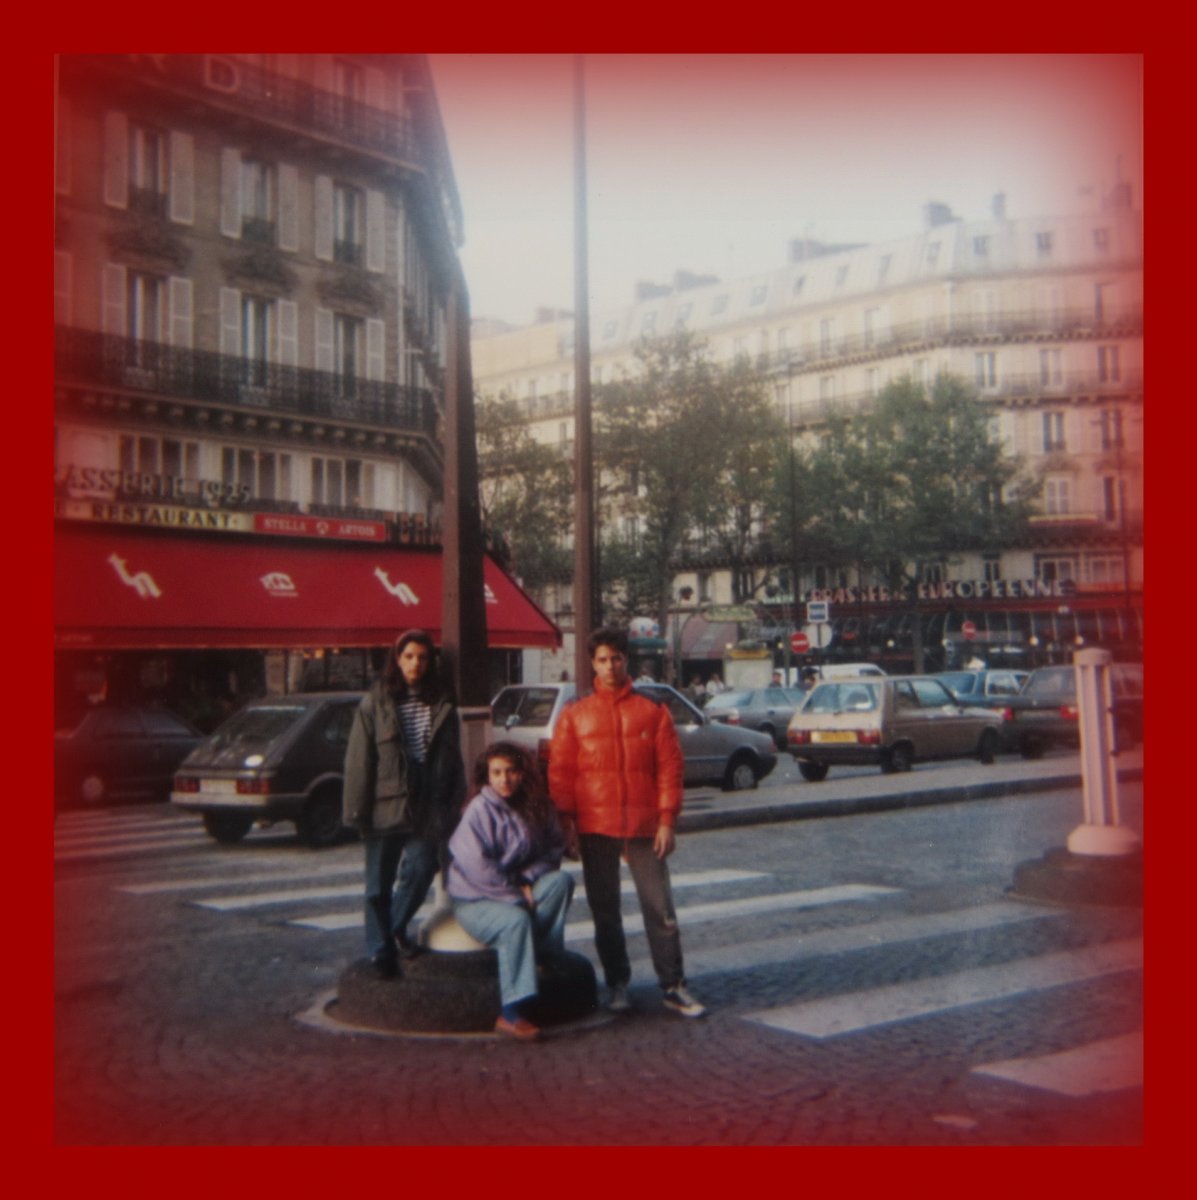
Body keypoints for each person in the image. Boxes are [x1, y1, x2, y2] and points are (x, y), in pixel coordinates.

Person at [549, 626, 706, 1018]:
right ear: (592, 663)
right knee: (605, 911)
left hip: (644, 826)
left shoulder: (652, 712)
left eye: (616, 658)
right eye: (602, 660)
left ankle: (673, 984)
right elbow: (561, 773)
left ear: (626, 660)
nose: (610, 666)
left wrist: (667, 820)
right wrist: (567, 823)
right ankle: (617, 983)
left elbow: (669, 769)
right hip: (595, 826)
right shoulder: (575, 716)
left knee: (660, 909)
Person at [343, 629, 465, 979]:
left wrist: (452, 801)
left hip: (427, 803)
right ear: (397, 659)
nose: (416, 664)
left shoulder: (442, 704)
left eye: (423, 658)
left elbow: (452, 759)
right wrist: (357, 811)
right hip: (385, 803)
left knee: (423, 867)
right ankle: (380, 952)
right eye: (409, 656)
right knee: (377, 885)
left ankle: (393, 928)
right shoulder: (375, 703)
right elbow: (359, 760)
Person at [447, 742, 575, 1042]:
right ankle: (511, 1013)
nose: (504, 779)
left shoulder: (537, 806)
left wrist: (527, 879)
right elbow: (478, 868)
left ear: (523, 773)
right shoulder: (478, 811)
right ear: (487, 776)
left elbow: (553, 849)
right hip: (475, 899)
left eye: (511, 771)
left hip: (516, 887)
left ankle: (541, 956)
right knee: (515, 920)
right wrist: (516, 895)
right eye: (496, 773)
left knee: (560, 883)